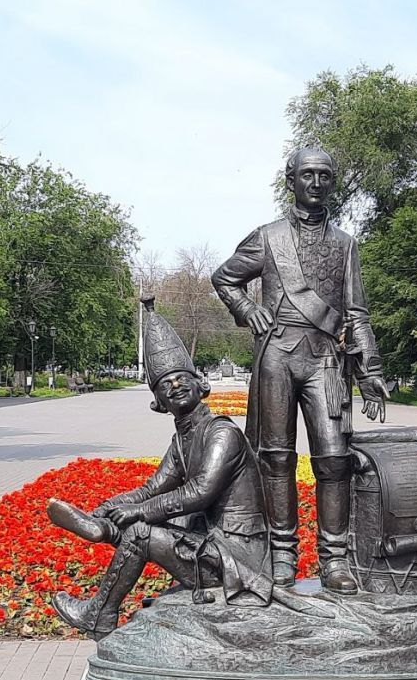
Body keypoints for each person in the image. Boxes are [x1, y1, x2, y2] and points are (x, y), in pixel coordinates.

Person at [211, 147, 389, 594]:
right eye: (307, 174)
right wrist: (246, 308)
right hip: (277, 356)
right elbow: (225, 278)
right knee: (276, 456)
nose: (316, 182)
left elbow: (357, 312)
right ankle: (282, 554)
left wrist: (370, 371)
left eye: (324, 175)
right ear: (291, 181)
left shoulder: (345, 244)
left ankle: (334, 559)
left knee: (334, 459)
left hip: (326, 359)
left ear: (333, 182)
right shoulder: (268, 238)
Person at [50, 298, 274, 639]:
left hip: (238, 557)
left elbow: (200, 492)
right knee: (144, 522)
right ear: (158, 402)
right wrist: (108, 507)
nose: (176, 386)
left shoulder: (221, 433)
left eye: (182, 378)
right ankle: (101, 528)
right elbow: (153, 488)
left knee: (141, 531)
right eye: (165, 385)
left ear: (200, 385)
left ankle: (99, 614)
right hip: (212, 544)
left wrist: (138, 512)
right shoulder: (182, 440)